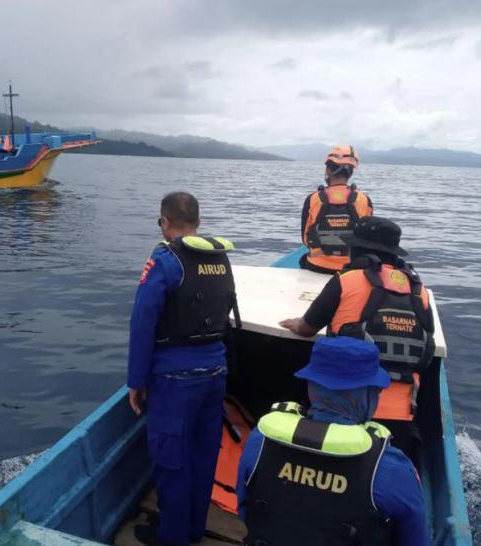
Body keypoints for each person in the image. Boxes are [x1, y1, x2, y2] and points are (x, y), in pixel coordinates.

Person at [236, 336, 429, 546]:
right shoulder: (392, 469)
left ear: (311, 386)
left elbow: (246, 510)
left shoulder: (259, 442)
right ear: (368, 394)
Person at [127, 191, 240, 546]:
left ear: (164, 222)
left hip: (175, 377)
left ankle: (172, 538)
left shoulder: (165, 259)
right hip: (215, 370)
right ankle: (193, 529)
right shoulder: (219, 257)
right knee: (204, 453)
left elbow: (143, 322)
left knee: (171, 459)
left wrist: (136, 381)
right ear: (198, 223)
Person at [280, 216, 435, 469]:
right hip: (403, 416)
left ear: (359, 250)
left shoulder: (346, 281)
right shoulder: (420, 291)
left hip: (346, 413)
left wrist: (295, 323)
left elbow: (307, 328)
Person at [301, 145, 373, 274]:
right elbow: (368, 237)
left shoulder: (313, 198)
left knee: (302, 260)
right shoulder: (364, 199)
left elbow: (306, 240)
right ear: (350, 172)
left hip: (318, 265)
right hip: (351, 267)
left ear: (328, 170)